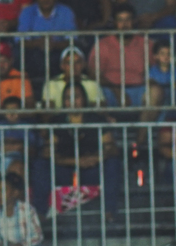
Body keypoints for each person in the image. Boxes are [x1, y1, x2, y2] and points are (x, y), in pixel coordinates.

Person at [30, 84, 122, 219]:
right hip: (65, 169)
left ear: (84, 99)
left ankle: (109, 211)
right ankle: (40, 213)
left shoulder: (96, 119)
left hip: (92, 168)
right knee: (40, 165)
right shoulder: (57, 121)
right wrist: (75, 161)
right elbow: (47, 152)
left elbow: (111, 148)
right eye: (68, 98)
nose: (72, 101)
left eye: (76, 97)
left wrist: (95, 158)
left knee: (113, 164)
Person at [89, 4, 149, 106]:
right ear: (114, 23)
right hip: (109, 90)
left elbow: (155, 69)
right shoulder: (103, 44)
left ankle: (146, 117)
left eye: (128, 20)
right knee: (96, 92)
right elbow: (94, 73)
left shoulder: (145, 43)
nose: (124, 25)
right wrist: (117, 91)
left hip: (138, 89)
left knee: (155, 92)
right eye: (120, 20)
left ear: (134, 21)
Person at [17, 0, 76, 79]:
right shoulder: (27, 12)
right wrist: (38, 43)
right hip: (34, 54)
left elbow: (72, 40)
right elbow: (20, 40)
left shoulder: (66, 11)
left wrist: (54, 45)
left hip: (58, 52)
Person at [0, 170, 43, 246]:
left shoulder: (26, 209)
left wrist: (21, 245)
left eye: (3, 191)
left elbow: (37, 236)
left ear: (15, 192)